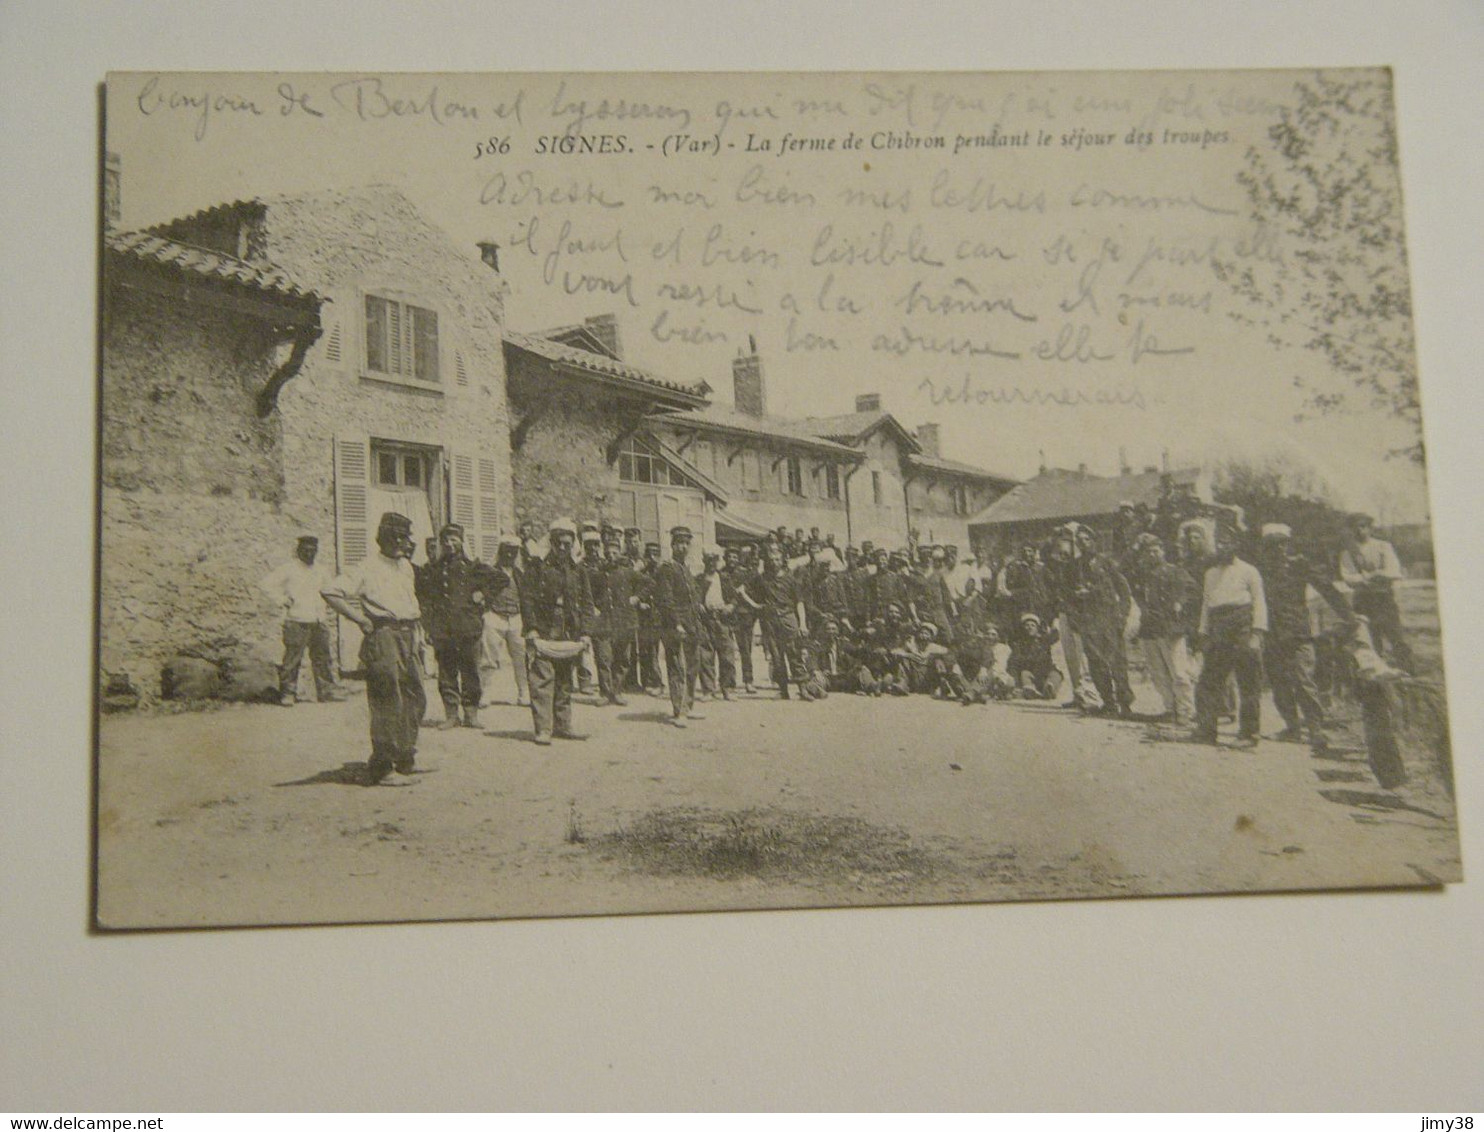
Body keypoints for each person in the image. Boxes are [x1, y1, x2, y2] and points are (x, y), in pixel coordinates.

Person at [321, 512, 426, 785]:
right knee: (387, 697)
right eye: (399, 537)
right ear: (386, 537)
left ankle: (404, 756)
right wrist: (360, 619)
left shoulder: (406, 566)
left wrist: (418, 634)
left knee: (415, 695)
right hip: (383, 634)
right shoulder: (366, 567)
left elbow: (410, 602)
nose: (405, 543)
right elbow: (331, 591)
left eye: (406, 537)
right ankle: (383, 765)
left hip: (408, 633)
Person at [1258, 523, 1352, 752]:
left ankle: (1315, 729)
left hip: (1298, 632)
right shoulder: (1260, 570)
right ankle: (1291, 726)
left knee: (1303, 680)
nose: (1277, 549)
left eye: (1281, 543)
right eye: (1271, 545)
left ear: (1287, 544)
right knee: (1278, 682)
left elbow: (1327, 588)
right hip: (1271, 633)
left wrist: (1348, 616)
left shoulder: (1299, 566)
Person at [417, 522, 502, 729]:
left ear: (462, 542)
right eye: (445, 540)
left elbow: (501, 579)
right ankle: (451, 715)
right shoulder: (433, 569)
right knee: (446, 672)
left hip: (468, 628)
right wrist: (428, 627)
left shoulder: (472, 567)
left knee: (470, 671)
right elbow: (425, 600)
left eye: (454, 540)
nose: (449, 544)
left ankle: (471, 714)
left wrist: (483, 595)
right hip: (443, 630)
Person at [520, 517, 593, 745]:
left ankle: (563, 725)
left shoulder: (578, 571)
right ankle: (543, 728)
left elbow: (587, 603)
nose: (562, 548)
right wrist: (531, 629)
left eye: (567, 544)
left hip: (568, 630)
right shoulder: (537, 567)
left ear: (573, 545)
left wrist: (585, 632)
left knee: (564, 681)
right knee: (542, 680)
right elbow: (528, 599)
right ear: (551, 543)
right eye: (558, 543)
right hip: (544, 629)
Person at [1191, 529, 1267, 747]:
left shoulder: (1249, 571)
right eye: (1220, 542)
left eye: (1228, 542)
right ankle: (1206, 731)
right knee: (1208, 682)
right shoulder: (1210, 573)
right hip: (1218, 630)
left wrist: (1257, 633)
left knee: (1248, 683)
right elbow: (1206, 604)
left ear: (1236, 544)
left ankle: (1249, 734)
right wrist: (1204, 633)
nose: (1223, 547)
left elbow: (1259, 602)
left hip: (1242, 628)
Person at [258, 534, 344, 706]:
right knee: (292, 660)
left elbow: (331, 591)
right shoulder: (288, 569)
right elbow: (265, 584)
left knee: (323, 659)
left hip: (318, 621)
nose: (309, 554)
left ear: (317, 551)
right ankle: (288, 693)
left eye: (313, 550)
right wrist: (282, 600)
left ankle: (326, 692)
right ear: (298, 551)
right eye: (305, 550)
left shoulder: (321, 571)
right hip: (296, 621)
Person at [1129, 532, 1197, 727]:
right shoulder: (1141, 575)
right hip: (1149, 629)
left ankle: (1186, 711)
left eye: (1155, 550)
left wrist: (1179, 602)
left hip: (1170, 628)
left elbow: (1191, 590)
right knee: (1158, 672)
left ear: (1163, 551)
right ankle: (1170, 708)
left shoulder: (1175, 571)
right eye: (1148, 552)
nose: (1152, 555)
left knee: (1178, 671)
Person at [1338, 513, 1413, 672]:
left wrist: (1371, 576)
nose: (1359, 530)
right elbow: (1347, 577)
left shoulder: (1383, 546)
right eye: (1355, 527)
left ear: (1370, 528)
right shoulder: (1347, 553)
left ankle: (1408, 671)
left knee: (1395, 635)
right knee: (1369, 638)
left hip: (1383, 598)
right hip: (1363, 600)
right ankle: (1377, 674)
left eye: (1363, 526)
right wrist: (1368, 577)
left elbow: (1394, 571)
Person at [651, 525, 707, 726]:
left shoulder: (686, 569)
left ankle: (688, 706)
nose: (683, 547)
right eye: (679, 543)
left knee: (692, 666)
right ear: (673, 545)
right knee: (678, 667)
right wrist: (677, 624)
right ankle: (679, 711)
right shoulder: (666, 569)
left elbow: (693, 596)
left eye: (686, 543)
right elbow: (665, 600)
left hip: (692, 624)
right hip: (675, 626)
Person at [481, 535, 529, 708]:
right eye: (507, 550)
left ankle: (524, 692)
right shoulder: (490, 571)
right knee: (488, 657)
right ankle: (485, 692)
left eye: (513, 551)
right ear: (500, 551)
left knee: (521, 657)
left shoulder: (520, 574)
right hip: (495, 617)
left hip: (516, 618)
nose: (510, 555)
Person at [598, 526, 640, 706]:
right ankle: (605, 693)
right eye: (608, 553)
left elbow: (649, 583)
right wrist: (593, 606)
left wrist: (637, 597)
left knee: (623, 658)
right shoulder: (597, 571)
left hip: (624, 621)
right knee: (604, 657)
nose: (611, 557)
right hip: (604, 621)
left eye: (614, 553)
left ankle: (617, 691)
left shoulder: (626, 570)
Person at [696, 546, 740, 700]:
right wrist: (698, 604)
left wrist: (731, 606)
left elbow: (735, 597)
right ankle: (708, 690)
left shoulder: (724, 578)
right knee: (706, 656)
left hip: (723, 620)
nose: (712, 563)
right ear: (704, 561)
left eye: (714, 560)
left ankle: (727, 688)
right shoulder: (699, 579)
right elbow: (694, 597)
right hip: (706, 620)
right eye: (709, 560)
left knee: (727, 655)